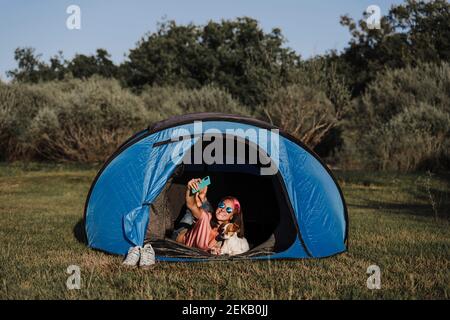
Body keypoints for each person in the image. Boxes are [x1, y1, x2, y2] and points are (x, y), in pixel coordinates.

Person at [174, 178, 243, 255]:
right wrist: (190, 190)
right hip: (181, 233)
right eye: (222, 205)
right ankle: (201, 200)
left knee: (205, 208)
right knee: (202, 212)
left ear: (232, 216)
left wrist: (216, 249)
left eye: (229, 209)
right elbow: (191, 205)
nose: (223, 209)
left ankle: (202, 200)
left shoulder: (228, 235)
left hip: (199, 228)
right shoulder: (206, 217)